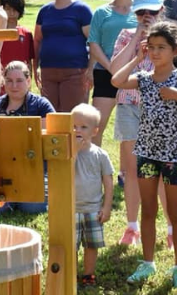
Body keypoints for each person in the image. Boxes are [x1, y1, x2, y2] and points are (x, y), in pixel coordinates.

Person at [112, 21, 177, 287]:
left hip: (173, 156)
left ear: (175, 49)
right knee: (148, 211)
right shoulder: (143, 80)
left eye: (161, 48)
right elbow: (116, 80)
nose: (155, 52)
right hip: (145, 154)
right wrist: (137, 59)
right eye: (151, 47)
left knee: (176, 212)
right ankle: (147, 263)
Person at [109, 0, 173, 249]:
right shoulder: (126, 35)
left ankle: (170, 229)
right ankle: (132, 227)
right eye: (141, 13)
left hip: (160, 110)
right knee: (132, 170)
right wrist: (137, 39)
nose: (146, 16)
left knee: (160, 171)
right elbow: (115, 72)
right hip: (129, 107)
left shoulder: (171, 39)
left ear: (162, 11)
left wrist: (159, 42)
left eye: (152, 11)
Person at [0, 61, 55, 214]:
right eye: (9, 81)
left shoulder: (42, 105)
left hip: (34, 168)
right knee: (0, 210)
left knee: (33, 208)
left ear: (28, 81)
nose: (14, 85)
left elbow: (51, 137)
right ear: (4, 82)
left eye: (19, 81)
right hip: (5, 169)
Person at [87, 0, 137, 146]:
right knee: (95, 127)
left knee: (135, 129)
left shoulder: (142, 11)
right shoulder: (101, 12)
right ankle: (93, 171)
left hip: (135, 74)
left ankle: (131, 173)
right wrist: (112, 68)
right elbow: (93, 44)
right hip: (105, 73)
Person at [34, 0, 93, 112]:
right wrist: (35, 67)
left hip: (75, 72)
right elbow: (37, 40)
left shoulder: (82, 10)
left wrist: (91, 69)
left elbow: (93, 42)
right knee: (50, 116)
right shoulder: (44, 11)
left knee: (73, 116)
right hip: (48, 71)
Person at [72, 103, 114, 288]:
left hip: (93, 209)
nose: (77, 130)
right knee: (70, 245)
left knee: (91, 245)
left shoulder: (100, 155)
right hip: (70, 208)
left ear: (94, 131)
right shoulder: (66, 152)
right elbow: (63, 174)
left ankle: (88, 274)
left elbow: (108, 182)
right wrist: (73, 151)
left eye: (83, 127)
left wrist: (106, 206)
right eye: (74, 126)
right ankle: (70, 273)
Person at [0, 0, 38, 87]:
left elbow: (29, 61)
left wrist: (28, 82)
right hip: (0, 80)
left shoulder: (26, 34)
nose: (11, 12)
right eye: (8, 8)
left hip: (20, 80)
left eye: (15, 9)